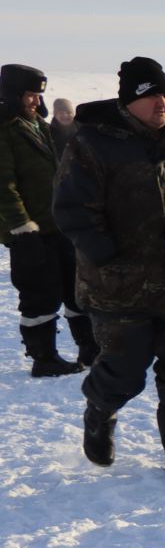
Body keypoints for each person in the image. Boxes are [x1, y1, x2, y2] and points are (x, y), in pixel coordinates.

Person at [54, 56, 165, 471]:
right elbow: (71, 208)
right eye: (151, 96)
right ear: (128, 101)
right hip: (120, 286)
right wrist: (104, 255)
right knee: (124, 373)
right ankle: (99, 412)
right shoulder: (93, 143)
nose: (162, 104)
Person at [2, 63, 96, 375]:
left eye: (36, 95)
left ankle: (90, 347)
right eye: (28, 95)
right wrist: (22, 227)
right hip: (29, 230)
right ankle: (44, 357)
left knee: (75, 285)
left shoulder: (39, 126)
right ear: (13, 94)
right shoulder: (5, 129)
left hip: (58, 223)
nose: (33, 101)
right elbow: (4, 185)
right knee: (39, 292)